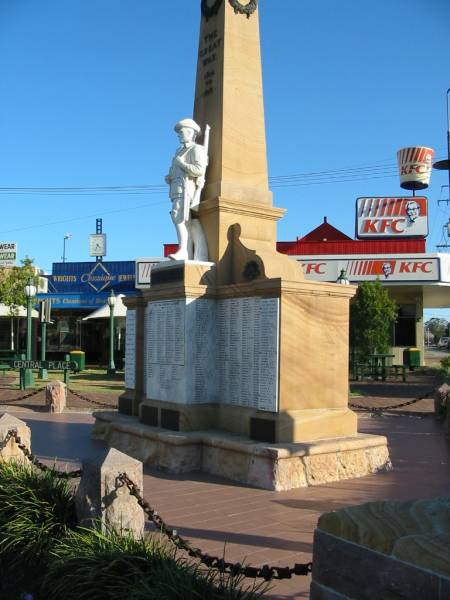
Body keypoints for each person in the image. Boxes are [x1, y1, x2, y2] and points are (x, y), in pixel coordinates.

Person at [165, 118, 209, 261]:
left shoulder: (196, 149)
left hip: (186, 189)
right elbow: (174, 171)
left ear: (190, 133)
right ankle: (186, 251)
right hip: (176, 189)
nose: (179, 135)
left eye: (181, 132)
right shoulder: (179, 151)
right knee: (180, 220)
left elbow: (199, 169)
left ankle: (183, 250)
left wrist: (182, 164)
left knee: (179, 219)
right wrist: (170, 177)